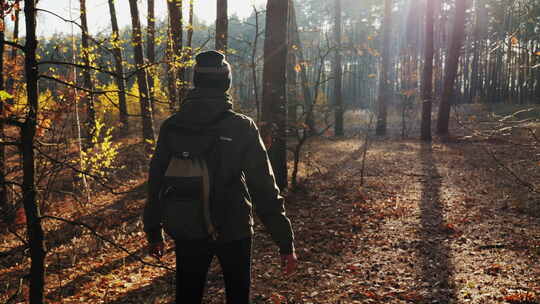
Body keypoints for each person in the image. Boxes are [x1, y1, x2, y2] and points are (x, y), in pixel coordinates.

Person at [143, 50, 297, 304]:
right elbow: (264, 189)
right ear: (227, 82)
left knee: (187, 296)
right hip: (234, 229)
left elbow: (157, 181)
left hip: (188, 227)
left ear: (196, 81)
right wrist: (285, 242)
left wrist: (154, 230)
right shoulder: (241, 127)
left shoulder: (172, 127)